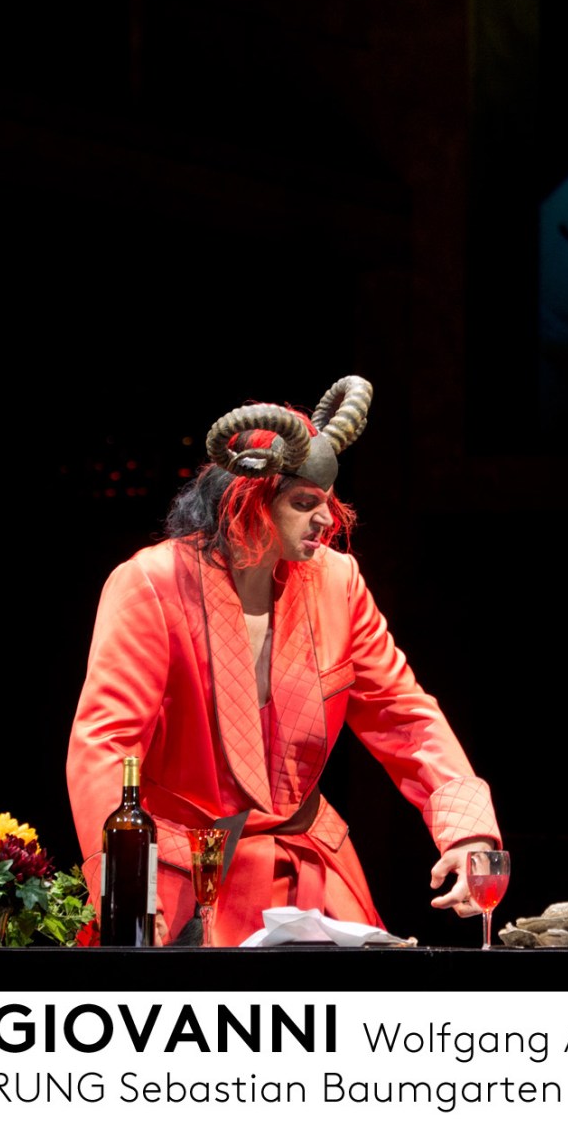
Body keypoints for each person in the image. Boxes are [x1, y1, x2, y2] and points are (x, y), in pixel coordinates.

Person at [66, 375, 501, 944]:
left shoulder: (336, 582)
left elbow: (403, 713)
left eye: (327, 503)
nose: (325, 521)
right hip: (186, 874)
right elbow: (105, 743)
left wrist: (468, 832)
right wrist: (121, 884)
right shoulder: (153, 582)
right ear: (249, 499)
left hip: (305, 872)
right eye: (303, 503)